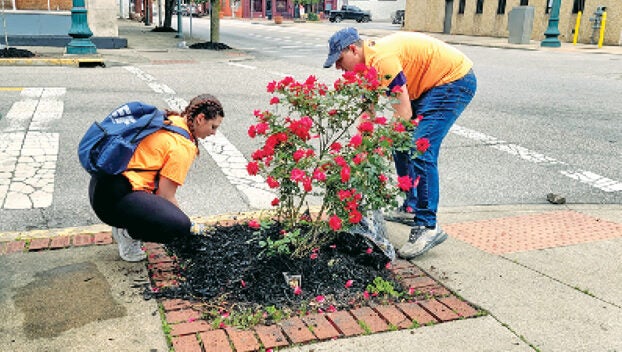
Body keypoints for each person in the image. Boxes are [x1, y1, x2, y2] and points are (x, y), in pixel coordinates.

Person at [323, 27, 477, 259]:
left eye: (339, 59)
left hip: (453, 81)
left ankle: (427, 227)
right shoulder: (366, 67)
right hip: (430, 86)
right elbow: (368, 112)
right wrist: (362, 151)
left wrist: (380, 148)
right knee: (401, 143)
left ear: (353, 49)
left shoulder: (382, 60)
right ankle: (411, 206)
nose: (338, 67)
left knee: (419, 147)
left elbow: (403, 113)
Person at [88, 94, 224, 262]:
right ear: (200, 119)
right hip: (113, 201)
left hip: (100, 186)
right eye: (213, 127)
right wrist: (190, 227)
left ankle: (124, 221)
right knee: (178, 226)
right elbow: (165, 195)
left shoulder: (170, 119)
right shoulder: (183, 146)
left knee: (162, 211)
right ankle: (127, 234)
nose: (214, 133)